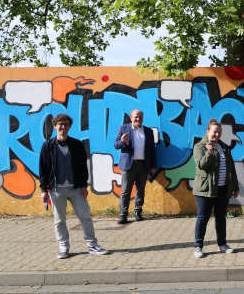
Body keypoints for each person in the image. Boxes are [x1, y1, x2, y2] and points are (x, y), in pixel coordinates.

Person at [39, 113, 109, 259]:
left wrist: (84, 185)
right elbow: (43, 168)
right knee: (59, 220)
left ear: (69, 127)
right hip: (56, 189)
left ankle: (92, 245)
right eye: (60, 124)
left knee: (85, 217)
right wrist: (43, 189)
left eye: (65, 124)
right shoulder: (48, 146)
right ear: (55, 126)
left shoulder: (76, 144)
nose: (63, 127)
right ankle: (63, 247)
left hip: (76, 188)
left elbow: (83, 167)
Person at [192, 119, 239, 258]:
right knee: (202, 218)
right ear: (208, 131)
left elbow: (231, 168)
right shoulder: (200, 146)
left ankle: (222, 244)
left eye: (219, 132)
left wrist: (234, 186)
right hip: (205, 190)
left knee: (221, 218)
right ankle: (198, 247)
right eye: (214, 132)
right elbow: (202, 165)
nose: (217, 135)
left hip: (222, 189)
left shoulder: (224, 147)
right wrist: (209, 152)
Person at [114, 109, 157, 224]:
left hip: (143, 165)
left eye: (140, 117)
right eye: (136, 117)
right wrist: (122, 141)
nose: (138, 119)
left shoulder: (148, 131)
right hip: (129, 165)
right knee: (125, 191)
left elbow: (152, 149)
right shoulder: (124, 129)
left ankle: (138, 212)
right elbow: (116, 145)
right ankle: (123, 215)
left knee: (140, 190)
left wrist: (153, 165)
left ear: (142, 118)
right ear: (131, 118)